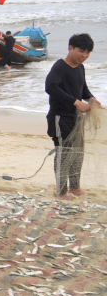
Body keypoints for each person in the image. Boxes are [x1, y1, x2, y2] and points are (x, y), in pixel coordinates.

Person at [45, 33, 101, 197]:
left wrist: (91, 98)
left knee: (77, 152)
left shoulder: (80, 68)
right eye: (81, 51)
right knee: (64, 154)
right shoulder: (59, 66)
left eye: (88, 52)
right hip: (60, 117)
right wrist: (76, 102)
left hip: (76, 118)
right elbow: (50, 87)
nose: (84, 55)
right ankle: (61, 192)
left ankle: (75, 188)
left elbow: (83, 89)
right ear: (70, 48)